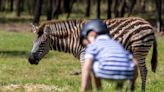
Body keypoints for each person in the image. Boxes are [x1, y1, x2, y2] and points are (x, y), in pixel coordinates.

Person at [80, 19, 137, 92]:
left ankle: (99, 89)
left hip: (106, 72)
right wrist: (132, 84)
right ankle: (122, 89)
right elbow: (134, 62)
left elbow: (87, 66)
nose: (87, 45)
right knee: (122, 62)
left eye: (86, 42)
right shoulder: (116, 44)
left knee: (91, 63)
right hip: (127, 73)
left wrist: (83, 88)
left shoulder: (93, 45)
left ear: (93, 35)